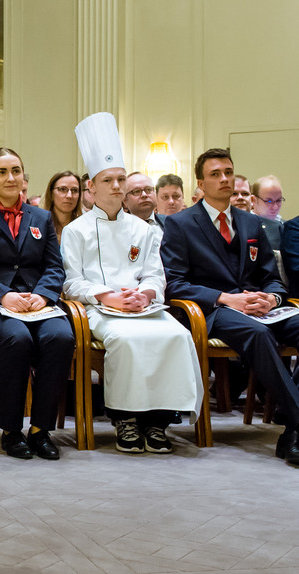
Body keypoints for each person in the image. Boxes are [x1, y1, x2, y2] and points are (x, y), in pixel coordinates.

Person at [63, 112, 202, 454]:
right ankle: (125, 418)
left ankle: (159, 421)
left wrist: (145, 293)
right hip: (99, 309)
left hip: (143, 306)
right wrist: (108, 297)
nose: (116, 185)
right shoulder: (75, 231)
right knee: (125, 340)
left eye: (121, 179)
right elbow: (72, 282)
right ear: (91, 187)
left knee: (177, 335)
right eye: (108, 180)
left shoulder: (144, 229)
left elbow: (156, 273)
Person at [162, 148, 299, 467]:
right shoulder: (181, 224)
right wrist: (225, 298)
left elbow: (272, 278)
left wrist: (272, 299)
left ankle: (291, 425)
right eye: (215, 174)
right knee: (257, 335)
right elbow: (175, 284)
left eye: (228, 172)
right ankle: (296, 420)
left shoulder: (252, 223)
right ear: (201, 183)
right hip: (214, 310)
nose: (225, 179)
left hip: (260, 307)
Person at [0, 147, 74, 460]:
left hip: (35, 301)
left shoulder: (41, 217)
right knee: (17, 338)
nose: (11, 178)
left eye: (16, 171)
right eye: (2, 172)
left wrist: (43, 294)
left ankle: (40, 430)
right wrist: (2, 294)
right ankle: (10, 431)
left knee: (61, 337)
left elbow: (54, 267)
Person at [42, 170, 84, 243]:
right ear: (51, 194)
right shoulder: (40, 225)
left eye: (74, 190)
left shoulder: (84, 227)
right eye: (62, 189)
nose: (69, 196)